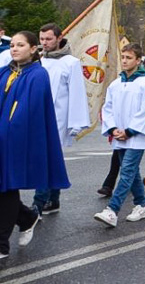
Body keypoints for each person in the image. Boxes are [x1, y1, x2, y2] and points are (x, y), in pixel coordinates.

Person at [0, 31, 69, 257]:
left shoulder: (38, 75)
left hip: (14, 139)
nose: (14, 49)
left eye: (20, 45)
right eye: (12, 45)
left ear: (32, 49)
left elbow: (26, 111)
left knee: (7, 187)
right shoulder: (5, 72)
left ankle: (1, 245)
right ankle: (27, 217)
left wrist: (6, 133)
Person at [30, 22, 90, 216]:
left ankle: (38, 204)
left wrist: (75, 122)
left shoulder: (71, 62)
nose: (44, 43)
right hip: (38, 117)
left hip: (58, 118)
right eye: (41, 39)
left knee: (45, 160)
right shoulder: (38, 60)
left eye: (48, 39)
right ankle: (53, 199)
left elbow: (77, 93)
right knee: (52, 159)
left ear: (58, 38)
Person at [94, 43, 145, 228]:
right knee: (132, 172)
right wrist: (113, 129)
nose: (124, 61)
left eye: (129, 58)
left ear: (138, 60)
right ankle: (142, 204)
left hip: (136, 136)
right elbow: (108, 108)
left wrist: (130, 131)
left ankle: (112, 210)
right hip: (120, 135)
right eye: (123, 57)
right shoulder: (115, 83)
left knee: (127, 170)